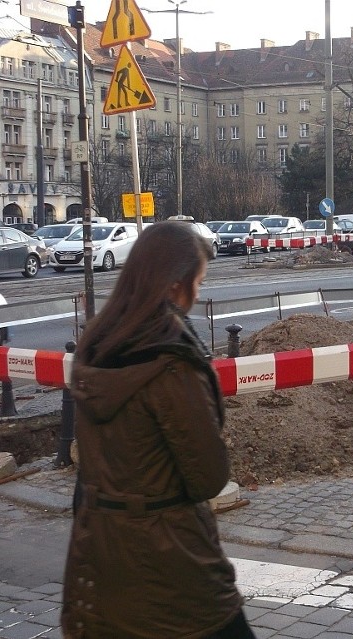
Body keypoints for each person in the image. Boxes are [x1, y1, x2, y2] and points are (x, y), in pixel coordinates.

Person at [62, 222, 254, 639]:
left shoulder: (96, 346)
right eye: (197, 282)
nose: (198, 294)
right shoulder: (171, 364)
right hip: (172, 558)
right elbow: (207, 477)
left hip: (100, 550)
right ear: (173, 284)